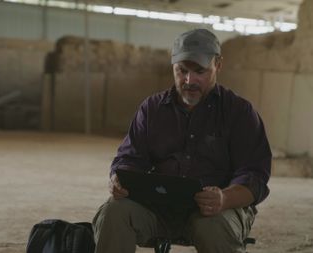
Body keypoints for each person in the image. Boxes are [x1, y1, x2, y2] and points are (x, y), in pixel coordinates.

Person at [92, 28, 272, 253]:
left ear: (218, 64)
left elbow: (255, 177)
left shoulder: (239, 112)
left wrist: (224, 198)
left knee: (212, 226)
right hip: (159, 209)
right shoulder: (152, 109)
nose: (189, 80)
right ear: (172, 66)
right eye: (182, 70)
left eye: (200, 71)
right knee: (114, 212)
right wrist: (118, 179)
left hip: (218, 210)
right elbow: (129, 158)